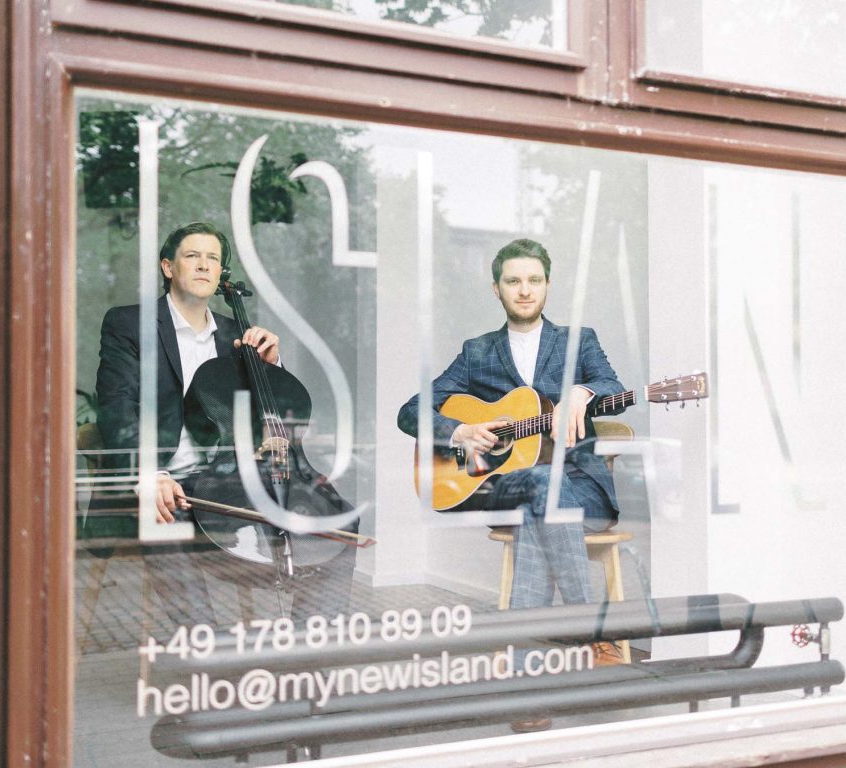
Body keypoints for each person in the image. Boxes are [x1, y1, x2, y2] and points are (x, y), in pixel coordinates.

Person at [397, 238, 627, 729]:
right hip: (500, 485)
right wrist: (459, 431)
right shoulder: (477, 352)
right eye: (514, 281)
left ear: (548, 285)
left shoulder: (578, 341)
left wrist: (582, 393)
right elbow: (409, 411)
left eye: (534, 280)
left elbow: (615, 387)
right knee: (536, 481)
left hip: (580, 486)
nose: (525, 290)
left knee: (536, 503)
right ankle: (590, 632)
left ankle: (525, 686)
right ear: (496, 289)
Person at [95, 221, 353, 626]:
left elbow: (270, 418)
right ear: (168, 267)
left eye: (212, 258)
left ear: (220, 274)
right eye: (192, 256)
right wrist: (149, 474)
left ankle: (308, 644)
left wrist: (270, 368)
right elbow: (117, 407)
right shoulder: (130, 324)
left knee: (340, 521)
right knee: (166, 522)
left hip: (227, 481)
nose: (203, 265)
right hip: (169, 481)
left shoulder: (236, 334)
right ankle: (207, 652)